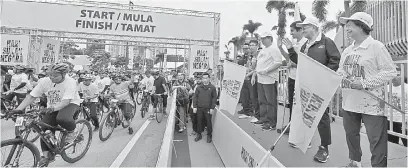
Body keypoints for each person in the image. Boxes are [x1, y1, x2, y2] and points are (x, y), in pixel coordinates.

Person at [337, 12, 398, 167]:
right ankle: (355, 162)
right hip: (350, 102)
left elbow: (390, 72)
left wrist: (365, 83)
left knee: (376, 140)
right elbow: (341, 70)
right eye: (347, 25)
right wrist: (340, 77)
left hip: (373, 104)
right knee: (351, 135)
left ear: (362, 26)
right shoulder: (347, 51)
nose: (347, 28)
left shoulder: (376, 46)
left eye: (350, 25)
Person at [282, 16, 341, 163]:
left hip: (321, 85)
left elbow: (335, 60)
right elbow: (300, 62)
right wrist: (290, 50)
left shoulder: (326, 42)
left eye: (305, 27)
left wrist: (324, 75)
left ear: (314, 27)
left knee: (322, 116)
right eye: (302, 28)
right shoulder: (305, 45)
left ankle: (324, 148)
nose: (303, 30)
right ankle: (305, 140)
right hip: (307, 86)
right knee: (306, 113)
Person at [12, 63, 81, 166]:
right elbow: (31, 96)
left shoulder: (70, 82)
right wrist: (17, 110)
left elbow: (66, 101)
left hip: (70, 103)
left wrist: (52, 108)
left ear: (64, 74)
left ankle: (73, 131)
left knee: (62, 119)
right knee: (44, 127)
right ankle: (47, 156)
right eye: (50, 75)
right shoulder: (45, 81)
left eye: (55, 76)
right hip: (52, 106)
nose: (52, 77)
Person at [276, 21, 308, 134]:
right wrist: (280, 48)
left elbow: (302, 62)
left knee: (299, 105)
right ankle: (291, 125)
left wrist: (293, 64)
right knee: (291, 103)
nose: (291, 33)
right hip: (292, 77)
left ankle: (300, 130)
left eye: (293, 31)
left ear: (300, 30)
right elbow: (290, 58)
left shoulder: (306, 43)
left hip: (301, 79)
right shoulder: (295, 43)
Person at [251, 32, 283, 131]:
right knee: (262, 101)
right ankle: (264, 118)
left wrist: (266, 70)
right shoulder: (262, 50)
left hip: (270, 79)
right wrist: (254, 75)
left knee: (271, 102)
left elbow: (278, 62)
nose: (262, 40)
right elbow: (258, 64)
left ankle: (271, 122)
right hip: (261, 79)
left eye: (264, 38)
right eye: (262, 38)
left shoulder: (274, 49)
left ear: (269, 38)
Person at [193, 72, 217, 143]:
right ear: (202, 79)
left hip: (208, 108)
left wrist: (212, 108)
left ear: (209, 79)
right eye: (203, 78)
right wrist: (194, 106)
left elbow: (214, 98)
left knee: (208, 122)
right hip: (199, 108)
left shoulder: (212, 88)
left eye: (206, 78)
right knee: (199, 121)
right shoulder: (198, 87)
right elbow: (195, 97)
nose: (205, 80)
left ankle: (209, 135)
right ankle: (199, 134)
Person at [388, 75, 407, 147]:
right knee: (392, 145)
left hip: (403, 120)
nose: (394, 77)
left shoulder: (406, 88)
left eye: (397, 75)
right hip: (389, 120)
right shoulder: (387, 87)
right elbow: (382, 103)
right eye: (393, 75)